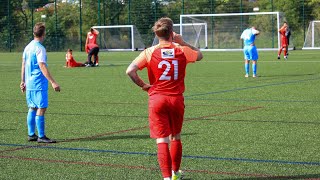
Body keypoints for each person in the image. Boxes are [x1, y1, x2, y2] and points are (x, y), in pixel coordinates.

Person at [126, 17, 203, 180]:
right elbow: (200, 55)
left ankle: (167, 178)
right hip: (176, 100)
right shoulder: (181, 50)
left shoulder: (149, 52)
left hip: (157, 99)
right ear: (172, 33)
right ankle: (175, 173)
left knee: (162, 139)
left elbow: (130, 71)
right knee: (176, 136)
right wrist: (183, 42)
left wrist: (144, 85)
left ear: (157, 33)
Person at [20, 22, 60, 143]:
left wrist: (22, 81)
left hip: (29, 82)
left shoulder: (27, 47)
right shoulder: (40, 48)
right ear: (44, 34)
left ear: (34, 33)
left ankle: (31, 134)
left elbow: (23, 64)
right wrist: (53, 82)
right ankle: (41, 136)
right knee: (41, 108)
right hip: (38, 83)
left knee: (32, 107)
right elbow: (42, 66)